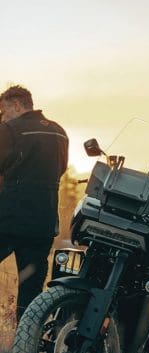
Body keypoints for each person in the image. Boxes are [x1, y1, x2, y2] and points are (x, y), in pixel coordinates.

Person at [0, 85, 68, 321]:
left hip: (8, 220)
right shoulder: (60, 132)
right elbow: (59, 172)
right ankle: (23, 349)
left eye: (3, 111)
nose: (3, 117)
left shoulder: (10, 130)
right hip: (43, 224)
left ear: (16, 105)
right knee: (30, 292)